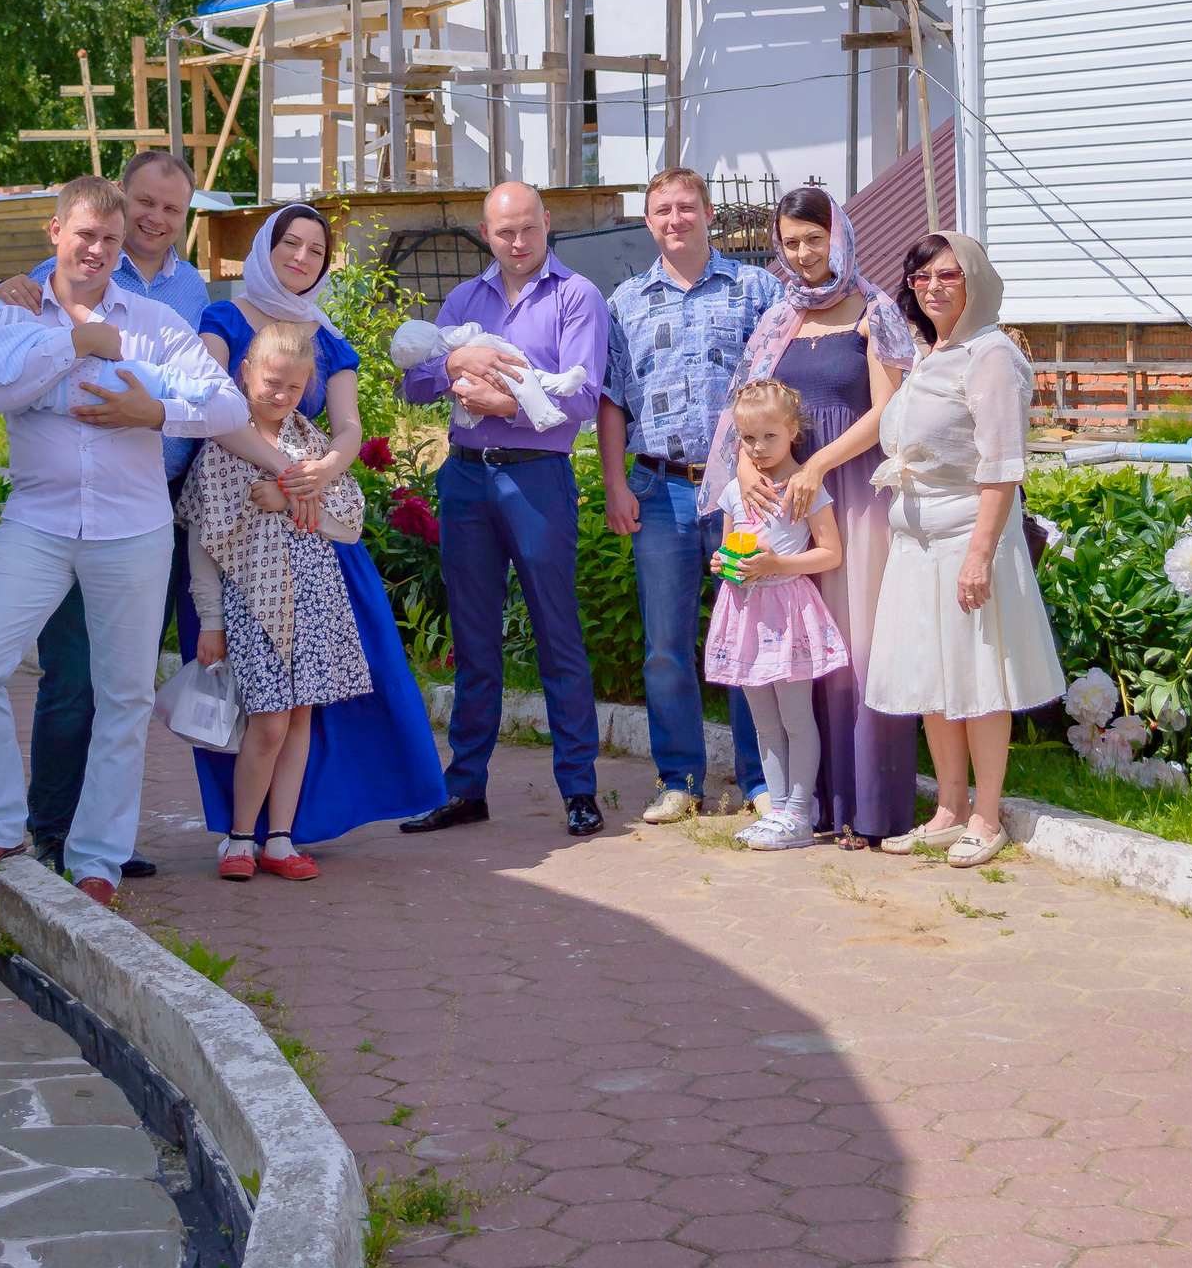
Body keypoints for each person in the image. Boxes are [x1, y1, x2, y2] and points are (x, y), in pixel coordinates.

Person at [0, 175, 250, 905]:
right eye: (86, 234)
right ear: (55, 231)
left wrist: (156, 411)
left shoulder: (153, 321)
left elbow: (226, 402)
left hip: (132, 530)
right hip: (37, 524)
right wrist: (75, 343)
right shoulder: (11, 309)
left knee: (121, 699)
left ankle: (97, 858)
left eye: (111, 240)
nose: (98, 249)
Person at [185, 208, 446, 853]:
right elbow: (213, 409)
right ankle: (241, 831)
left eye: (315, 250)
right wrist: (284, 474)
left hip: (311, 519)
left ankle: (297, 827)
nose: (301, 257)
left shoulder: (327, 339)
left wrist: (321, 470)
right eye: (289, 244)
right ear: (265, 249)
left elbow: (349, 429)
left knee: (352, 679)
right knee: (251, 698)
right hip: (240, 519)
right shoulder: (222, 322)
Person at [398, 181, 610, 837]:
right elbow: (414, 381)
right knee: (473, 638)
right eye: (502, 232)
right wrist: (455, 358)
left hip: (535, 479)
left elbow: (583, 397)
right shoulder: (465, 298)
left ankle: (578, 789)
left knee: (556, 633)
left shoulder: (577, 296)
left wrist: (510, 406)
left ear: (546, 223)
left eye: (527, 229)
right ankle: (466, 789)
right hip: (465, 479)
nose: (516, 243)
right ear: (485, 233)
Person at [715, 187, 921, 846]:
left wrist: (816, 466)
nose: (803, 253)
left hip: (851, 498)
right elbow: (744, 409)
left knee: (855, 648)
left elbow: (887, 412)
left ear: (840, 234)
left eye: (814, 237)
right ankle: (805, 805)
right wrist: (748, 471)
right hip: (784, 507)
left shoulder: (875, 309)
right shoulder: (778, 317)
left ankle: (869, 807)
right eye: (791, 242)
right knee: (799, 652)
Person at [867, 230, 1065, 870]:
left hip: (966, 537)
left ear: (975, 281)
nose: (932, 287)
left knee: (979, 679)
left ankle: (986, 813)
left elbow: (1003, 465)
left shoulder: (992, 355)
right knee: (931, 674)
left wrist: (980, 554)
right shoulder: (933, 354)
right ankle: (948, 810)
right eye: (922, 276)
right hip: (916, 542)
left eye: (948, 275)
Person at [597, 166, 778, 821]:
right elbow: (612, 401)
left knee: (748, 635)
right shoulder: (624, 304)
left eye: (685, 207)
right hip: (660, 490)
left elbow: (780, 388)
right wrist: (615, 483)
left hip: (741, 491)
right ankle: (679, 779)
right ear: (648, 222)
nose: (674, 218)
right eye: (660, 210)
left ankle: (761, 780)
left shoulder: (756, 289)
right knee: (666, 646)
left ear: (708, 214)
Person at [703, 377, 851, 848]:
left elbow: (831, 554)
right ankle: (778, 807)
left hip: (788, 615)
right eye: (749, 438)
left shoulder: (806, 489)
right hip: (745, 615)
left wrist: (776, 565)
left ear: (793, 431)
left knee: (795, 717)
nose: (759, 447)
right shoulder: (734, 493)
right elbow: (729, 547)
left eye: (770, 436)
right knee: (763, 722)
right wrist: (724, 563)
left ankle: (801, 813)